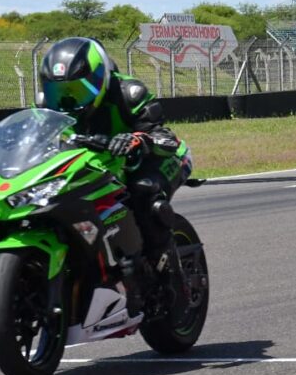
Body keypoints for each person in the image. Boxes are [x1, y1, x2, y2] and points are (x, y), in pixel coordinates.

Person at [37, 37, 190, 300]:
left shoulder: (129, 93)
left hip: (148, 160)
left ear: (100, 80)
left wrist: (137, 140)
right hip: (92, 166)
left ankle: (165, 271)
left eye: (78, 89)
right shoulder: (46, 106)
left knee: (144, 192)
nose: (68, 99)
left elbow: (166, 138)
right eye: (58, 92)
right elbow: (35, 139)